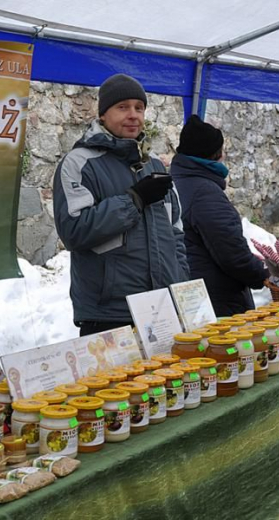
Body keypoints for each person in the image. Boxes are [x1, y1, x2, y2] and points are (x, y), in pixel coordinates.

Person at [53, 73, 189, 336]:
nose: (133, 115)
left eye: (139, 108)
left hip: (162, 310)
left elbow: (176, 233)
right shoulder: (79, 163)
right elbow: (74, 231)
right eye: (123, 107)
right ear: (103, 114)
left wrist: (179, 281)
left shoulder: (155, 166)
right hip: (110, 313)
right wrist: (133, 200)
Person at [169, 115, 270, 316]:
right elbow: (232, 253)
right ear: (216, 155)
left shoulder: (175, 181)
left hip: (189, 294)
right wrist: (265, 274)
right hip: (215, 302)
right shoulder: (204, 192)